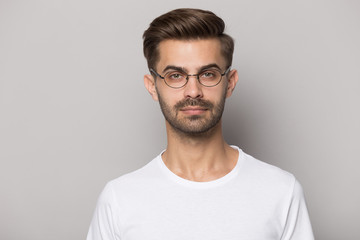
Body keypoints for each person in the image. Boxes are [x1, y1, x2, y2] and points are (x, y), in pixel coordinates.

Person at [87, 8, 314, 240]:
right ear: (152, 86)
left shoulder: (281, 192)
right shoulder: (119, 199)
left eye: (208, 74)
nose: (193, 91)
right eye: (175, 75)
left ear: (230, 82)